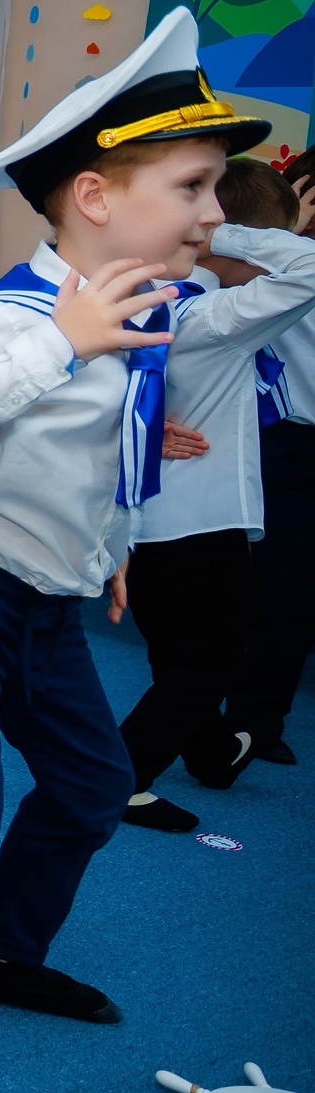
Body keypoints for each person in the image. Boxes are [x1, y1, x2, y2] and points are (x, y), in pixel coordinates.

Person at [0, 9, 269, 1093]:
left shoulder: (143, 313)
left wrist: (110, 544)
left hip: (45, 599)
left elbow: (104, 444)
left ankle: (1, 955)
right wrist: (56, 346)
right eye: (189, 188)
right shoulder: (20, 317)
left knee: (89, 788)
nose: (210, 213)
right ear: (95, 196)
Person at [119, 157, 315, 833]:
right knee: (213, 663)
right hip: (205, 523)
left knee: (177, 653)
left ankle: (210, 751)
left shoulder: (152, 298)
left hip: (152, 523)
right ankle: (123, 773)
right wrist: (222, 234)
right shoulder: (215, 317)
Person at [224, 149, 315, 768]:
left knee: (293, 594)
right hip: (274, 437)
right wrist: (284, 236)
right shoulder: (264, 268)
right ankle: (242, 720)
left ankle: (262, 719)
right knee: (267, 588)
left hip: (296, 444)